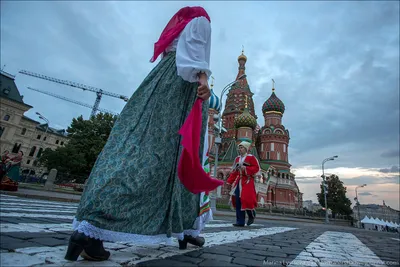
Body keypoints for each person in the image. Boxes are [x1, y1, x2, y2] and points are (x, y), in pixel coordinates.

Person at [65, 6, 214, 262]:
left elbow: (176, 52)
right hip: (181, 90)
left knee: (136, 147)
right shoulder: (201, 20)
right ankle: (95, 226)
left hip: (158, 83)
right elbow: (195, 54)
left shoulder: (182, 23)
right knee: (179, 157)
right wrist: (203, 81)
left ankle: (184, 228)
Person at [226, 141, 260, 227]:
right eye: (239, 148)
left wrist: (246, 168)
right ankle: (240, 222)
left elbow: (256, 168)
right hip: (239, 181)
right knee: (237, 200)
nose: (239, 149)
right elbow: (234, 172)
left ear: (246, 149)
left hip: (248, 181)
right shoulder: (237, 159)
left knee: (246, 199)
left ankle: (251, 214)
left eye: (241, 148)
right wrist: (229, 181)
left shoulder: (251, 158)